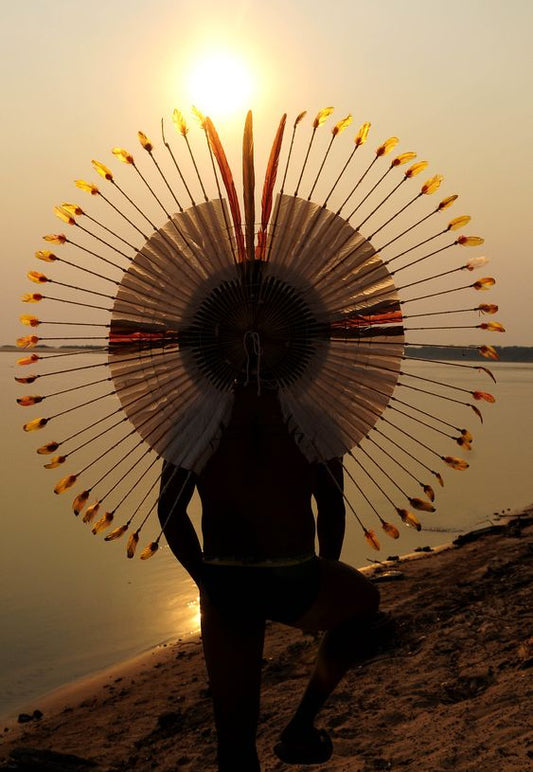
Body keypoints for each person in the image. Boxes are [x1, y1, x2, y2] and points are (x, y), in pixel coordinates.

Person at [158, 381, 390, 771]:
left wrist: (204, 580)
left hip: (225, 577)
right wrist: (325, 568)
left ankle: (294, 730)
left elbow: (169, 511)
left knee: (234, 741)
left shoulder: (196, 419)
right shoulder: (311, 417)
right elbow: (332, 507)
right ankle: (301, 724)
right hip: (293, 575)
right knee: (363, 601)